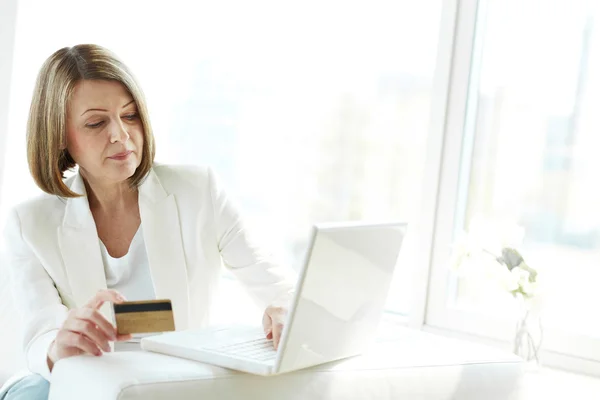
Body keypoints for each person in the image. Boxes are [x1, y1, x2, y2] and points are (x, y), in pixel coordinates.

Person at [0, 44, 295, 399]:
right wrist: (60, 343)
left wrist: (284, 310)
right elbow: (40, 335)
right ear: (60, 135)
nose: (120, 135)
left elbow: (279, 289)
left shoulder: (198, 190)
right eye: (96, 122)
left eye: (130, 115)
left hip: (176, 383)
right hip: (90, 384)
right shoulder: (29, 224)